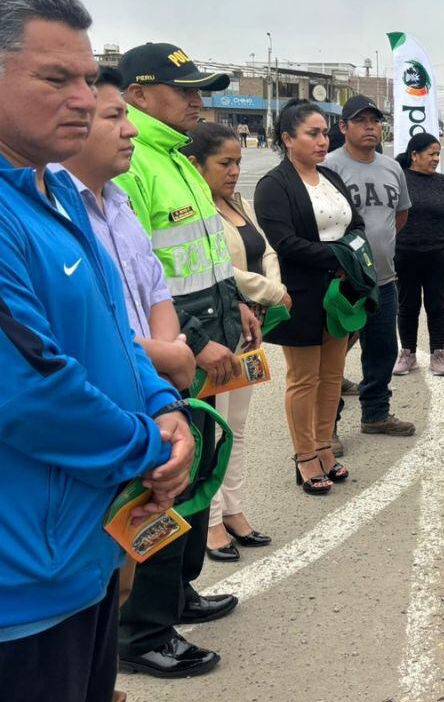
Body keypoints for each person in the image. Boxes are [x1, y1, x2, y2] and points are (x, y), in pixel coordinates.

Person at [0, 0, 194, 699]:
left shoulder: (53, 195)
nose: (84, 99)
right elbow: (30, 392)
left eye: (88, 78)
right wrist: (149, 449)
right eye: (57, 78)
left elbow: (115, 333)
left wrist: (162, 405)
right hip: (21, 588)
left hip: (83, 555)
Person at [115, 40, 251, 678]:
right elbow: (140, 280)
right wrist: (195, 341)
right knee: (163, 485)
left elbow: (203, 253)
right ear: (137, 95)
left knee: (196, 479)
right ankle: (142, 631)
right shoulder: (132, 161)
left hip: (205, 345)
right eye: (185, 91)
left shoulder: (177, 157)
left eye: (202, 90)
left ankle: (177, 592)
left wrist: (236, 305)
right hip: (169, 360)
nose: (198, 101)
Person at [186, 122, 288, 562]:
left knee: (238, 428)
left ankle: (234, 509)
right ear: (196, 165)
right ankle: (210, 522)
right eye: (224, 163)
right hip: (216, 330)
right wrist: (269, 290)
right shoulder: (192, 211)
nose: (234, 172)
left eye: (238, 162)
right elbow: (219, 268)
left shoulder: (238, 202)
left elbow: (265, 250)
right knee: (214, 429)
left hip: (249, 327)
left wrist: (273, 289)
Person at [254, 100, 364, 495]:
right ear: (288, 138)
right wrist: (341, 256)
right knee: (304, 379)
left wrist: (351, 255)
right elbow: (285, 243)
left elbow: (357, 223)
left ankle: (324, 448)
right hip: (302, 295)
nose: (323, 140)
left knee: (332, 375)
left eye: (324, 133)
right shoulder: (274, 185)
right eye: (312, 134)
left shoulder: (330, 176)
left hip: (339, 292)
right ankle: (304, 457)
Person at [324, 95, 416, 436]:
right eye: (361, 121)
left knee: (382, 350)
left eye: (375, 121)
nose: (370, 127)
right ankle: (327, 426)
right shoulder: (329, 166)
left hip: (384, 278)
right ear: (343, 126)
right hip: (343, 280)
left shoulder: (392, 167)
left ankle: (375, 414)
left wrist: (378, 245)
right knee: (332, 354)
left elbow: (400, 216)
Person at [393, 132, 444, 377]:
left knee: (436, 305)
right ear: (414, 155)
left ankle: (438, 354)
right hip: (404, 254)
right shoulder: (399, 180)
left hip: (438, 255)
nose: (436, 159)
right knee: (407, 305)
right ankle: (407, 354)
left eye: (438, 154)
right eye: (431, 154)